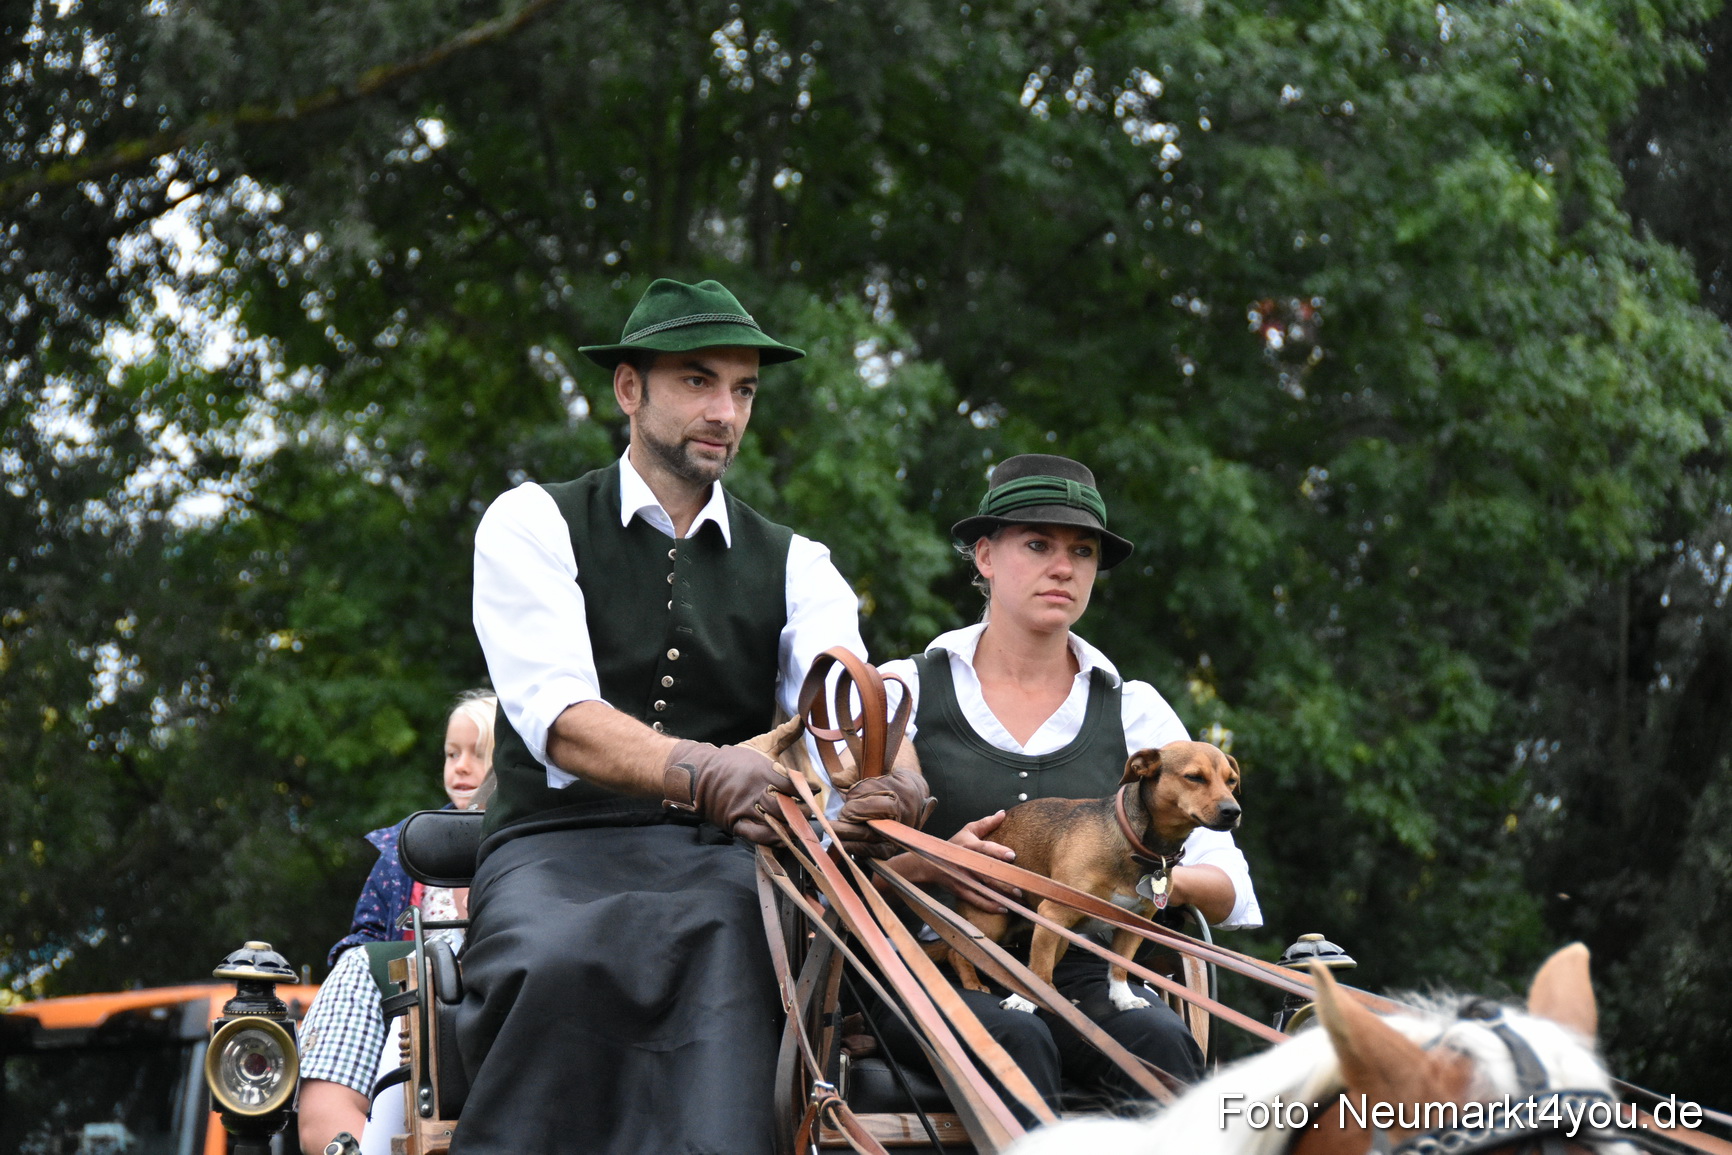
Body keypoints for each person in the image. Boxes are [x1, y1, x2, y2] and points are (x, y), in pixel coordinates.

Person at [456, 278, 929, 1154]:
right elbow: (559, 717)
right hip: (553, 852)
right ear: (628, 389)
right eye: (698, 381)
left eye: (743, 389)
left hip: (722, 863)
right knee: (558, 960)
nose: (725, 411)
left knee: (738, 943)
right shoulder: (532, 523)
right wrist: (706, 768)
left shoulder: (799, 564)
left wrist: (894, 783)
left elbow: (850, 711)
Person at [876, 453, 1262, 1111]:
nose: (1063, 566)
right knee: (1019, 1036)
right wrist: (938, 864)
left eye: (1082, 551)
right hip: (937, 965)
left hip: (1084, 972)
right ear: (985, 556)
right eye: (1037, 544)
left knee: (1162, 1041)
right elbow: (831, 866)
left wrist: (1138, 878)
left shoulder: (1133, 710)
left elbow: (1228, 888)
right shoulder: (901, 690)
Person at [296, 689, 497, 1155]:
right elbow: (365, 942)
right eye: (451, 754)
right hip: (410, 1017)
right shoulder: (403, 852)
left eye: (478, 754)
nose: (461, 766)